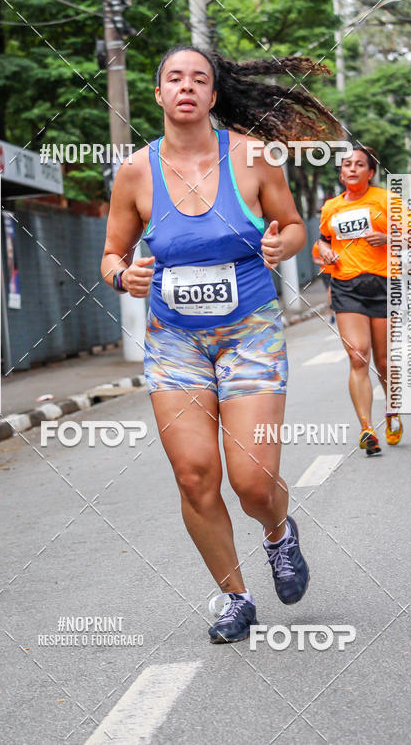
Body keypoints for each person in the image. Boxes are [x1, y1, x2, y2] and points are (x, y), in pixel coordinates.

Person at [101, 45, 341, 644]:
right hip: (173, 340)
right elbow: (111, 254)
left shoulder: (253, 156)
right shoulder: (135, 172)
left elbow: (291, 225)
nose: (186, 86)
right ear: (158, 95)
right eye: (174, 78)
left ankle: (279, 533)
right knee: (195, 476)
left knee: (251, 481)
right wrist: (119, 275)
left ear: (212, 95)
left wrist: (285, 243)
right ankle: (235, 597)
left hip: (249, 331)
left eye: (199, 79)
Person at [317, 145, 403, 455]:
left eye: (359, 165)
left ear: (370, 172)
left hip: (382, 285)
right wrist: (324, 251)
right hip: (346, 286)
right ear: (341, 174)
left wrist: (388, 238)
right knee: (358, 356)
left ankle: (392, 409)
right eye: (347, 165)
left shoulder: (387, 200)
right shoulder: (331, 208)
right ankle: (367, 428)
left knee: (382, 361)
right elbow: (322, 241)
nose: (352, 169)